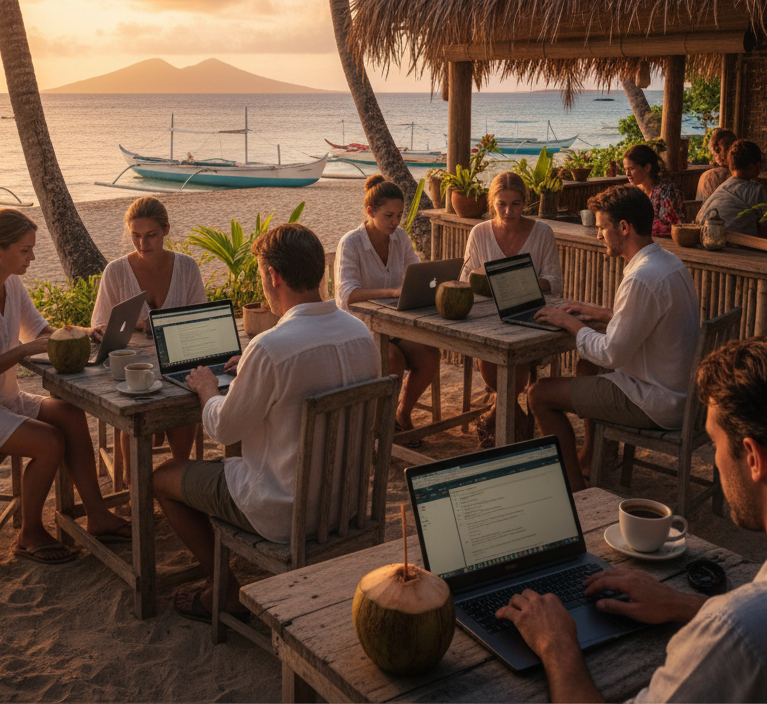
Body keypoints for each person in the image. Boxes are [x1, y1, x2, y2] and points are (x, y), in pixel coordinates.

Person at [494, 332, 767, 703]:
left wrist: (556, 646)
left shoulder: (735, 637)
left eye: (715, 444)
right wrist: (683, 604)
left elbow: (752, 634)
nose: (715, 460)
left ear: (754, 458)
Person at [153, 223, 380, 621]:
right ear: (319, 273)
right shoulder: (361, 334)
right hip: (347, 505)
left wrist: (208, 387)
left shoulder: (271, 347)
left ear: (273, 276)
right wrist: (249, 372)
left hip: (285, 512)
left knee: (164, 476)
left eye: (262, 277)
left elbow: (222, 429)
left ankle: (223, 589)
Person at [0, 209, 129, 564]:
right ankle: (29, 533)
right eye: (25, 250)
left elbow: (38, 329)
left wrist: (79, 332)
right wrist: (21, 352)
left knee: (68, 412)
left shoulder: (10, 283)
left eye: (32, 249)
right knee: (49, 443)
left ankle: (97, 516)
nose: (32, 257)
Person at [528, 184, 699, 491]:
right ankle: (590, 460)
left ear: (623, 227)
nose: (598, 236)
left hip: (656, 401)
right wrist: (601, 312)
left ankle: (576, 489)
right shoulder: (669, 263)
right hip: (681, 392)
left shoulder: (641, 278)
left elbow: (611, 355)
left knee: (538, 393)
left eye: (602, 228)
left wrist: (568, 321)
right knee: (585, 368)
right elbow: (649, 320)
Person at [91, 196, 206, 469]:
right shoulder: (116, 272)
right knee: (134, 414)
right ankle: (136, 494)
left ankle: (178, 476)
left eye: (151, 235)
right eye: (136, 236)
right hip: (130, 369)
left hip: (177, 364)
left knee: (183, 404)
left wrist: (146, 324)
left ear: (166, 230)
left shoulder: (186, 267)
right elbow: (101, 325)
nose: (143, 244)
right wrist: (99, 331)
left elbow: (199, 322)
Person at [460, 171, 562, 446]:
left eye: (515, 204)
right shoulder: (479, 233)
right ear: (491, 202)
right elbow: (464, 278)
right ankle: (513, 414)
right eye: (501, 204)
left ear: (525, 202)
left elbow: (554, 282)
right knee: (490, 348)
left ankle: (495, 414)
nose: (508, 211)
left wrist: (512, 282)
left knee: (511, 351)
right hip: (487, 317)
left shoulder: (542, 233)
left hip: (530, 313)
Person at [335, 175, 440, 436]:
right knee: (392, 360)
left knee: (430, 356)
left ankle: (401, 413)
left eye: (400, 215)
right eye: (389, 215)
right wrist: (391, 291)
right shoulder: (351, 243)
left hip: (394, 325)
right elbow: (346, 295)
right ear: (370, 212)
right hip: (358, 329)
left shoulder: (400, 238)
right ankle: (380, 427)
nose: (395, 222)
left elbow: (414, 272)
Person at [699, 140, 767, 236]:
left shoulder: (722, 188)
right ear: (756, 167)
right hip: (738, 247)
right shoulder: (758, 191)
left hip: (706, 238)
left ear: (730, 166)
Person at [624, 144, 683, 237]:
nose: (627, 174)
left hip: (665, 244)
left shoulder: (666, 192)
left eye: (632, 169)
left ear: (647, 168)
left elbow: (670, 226)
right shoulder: (631, 191)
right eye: (626, 169)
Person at [696, 127, 737, 200]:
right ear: (716, 149)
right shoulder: (712, 176)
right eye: (728, 145)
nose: (732, 149)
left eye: (733, 145)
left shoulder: (736, 173)